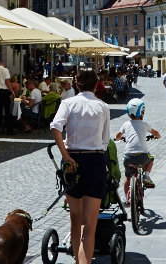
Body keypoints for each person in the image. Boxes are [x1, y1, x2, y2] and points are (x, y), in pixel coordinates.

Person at [50, 69, 111, 264]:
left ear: (77, 84)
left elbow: (55, 127)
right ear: (96, 85)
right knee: (89, 226)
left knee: (75, 220)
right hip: (95, 161)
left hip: (72, 163)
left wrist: (66, 156)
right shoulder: (103, 106)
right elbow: (105, 140)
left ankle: (79, 261)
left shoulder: (68, 103)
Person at [115, 98, 160, 204]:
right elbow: (155, 133)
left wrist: (119, 138)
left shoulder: (126, 124)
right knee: (151, 159)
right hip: (142, 156)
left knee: (127, 175)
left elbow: (117, 136)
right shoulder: (145, 124)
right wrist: (156, 136)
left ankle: (127, 198)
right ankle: (146, 175)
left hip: (128, 157)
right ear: (141, 112)